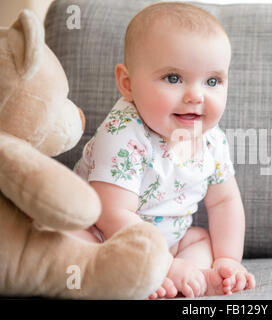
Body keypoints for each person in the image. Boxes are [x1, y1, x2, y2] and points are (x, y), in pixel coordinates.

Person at [73, 2, 255, 298]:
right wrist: (162, 264)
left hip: (171, 241)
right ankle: (148, 276)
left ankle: (198, 278)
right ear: (127, 84)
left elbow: (224, 202)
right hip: (107, 237)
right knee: (72, 240)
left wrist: (228, 260)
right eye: (173, 78)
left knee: (199, 239)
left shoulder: (212, 139)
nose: (196, 95)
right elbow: (113, 213)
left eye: (212, 81)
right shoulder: (123, 132)